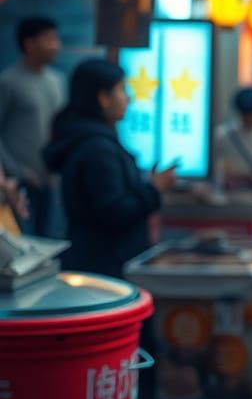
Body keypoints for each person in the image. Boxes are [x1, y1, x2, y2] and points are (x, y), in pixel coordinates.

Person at [42, 59, 177, 278]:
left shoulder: (90, 140)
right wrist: (154, 188)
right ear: (103, 98)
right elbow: (115, 212)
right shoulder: (98, 149)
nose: (128, 98)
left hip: (95, 261)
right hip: (105, 265)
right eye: (122, 90)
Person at [0, 17, 65, 235]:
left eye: (56, 39)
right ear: (29, 43)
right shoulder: (8, 82)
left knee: (48, 238)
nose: (56, 46)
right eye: (48, 39)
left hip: (50, 177)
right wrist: (16, 170)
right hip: (17, 180)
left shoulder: (57, 80)